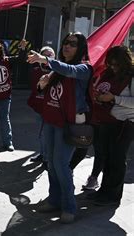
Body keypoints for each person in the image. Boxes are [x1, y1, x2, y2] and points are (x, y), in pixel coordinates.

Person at [28, 32, 92, 224]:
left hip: (70, 124)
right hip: (51, 120)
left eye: (72, 44)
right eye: (65, 43)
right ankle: (54, 199)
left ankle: (69, 206)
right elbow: (45, 90)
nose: (67, 46)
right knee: (50, 163)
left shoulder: (84, 68)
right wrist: (42, 84)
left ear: (80, 47)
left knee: (61, 165)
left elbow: (69, 71)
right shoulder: (57, 70)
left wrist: (45, 59)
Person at [89, 46, 133, 206]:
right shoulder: (107, 74)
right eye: (111, 64)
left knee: (117, 159)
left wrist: (114, 98)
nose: (113, 67)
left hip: (124, 124)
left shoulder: (131, 76)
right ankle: (104, 191)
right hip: (105, 121)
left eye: (117, 65)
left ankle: (113, 195)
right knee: (106, 157)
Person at [27, 46, 55, 165]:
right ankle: (43, 154)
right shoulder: (35, 69)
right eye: (45, 55)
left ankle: (47, 158)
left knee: (46, 134)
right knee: (41, 133)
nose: (48, 57)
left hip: (51, 108)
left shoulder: (56, 70)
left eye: (50, 55)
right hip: (39, 106)